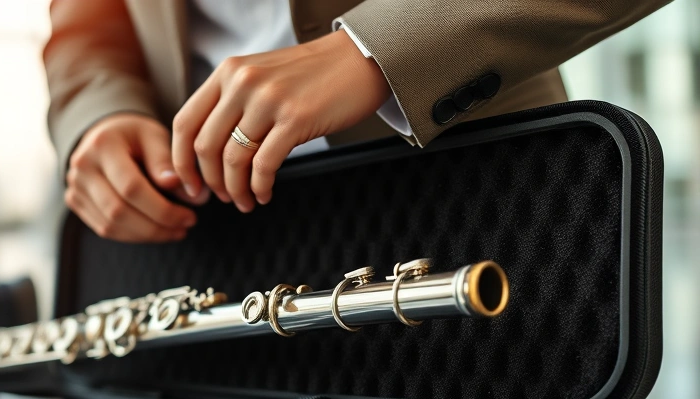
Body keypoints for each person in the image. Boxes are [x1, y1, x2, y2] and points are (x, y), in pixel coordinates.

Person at [44, 0, 668, 243]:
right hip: (204, 235)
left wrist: (374, 51)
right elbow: (87, 23)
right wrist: (101, 113)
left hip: (468, 194)